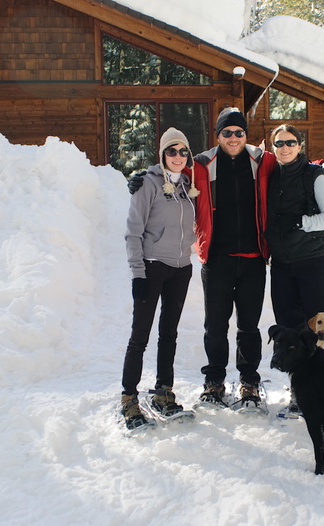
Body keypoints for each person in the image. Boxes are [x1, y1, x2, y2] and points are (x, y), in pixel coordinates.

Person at [192, 108, 277, 408]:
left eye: (239, 132)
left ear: (245, 135)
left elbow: (294, 161)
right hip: (217, 259)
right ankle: (214, 380)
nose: (233, 137)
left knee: (249, 326)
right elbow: (170, 172)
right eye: (227, 132)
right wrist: (145, 178)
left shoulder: (262, 161)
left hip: (254, 258)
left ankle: (249, 382)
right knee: (215, 325)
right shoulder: (202, 163)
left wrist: (323, 167)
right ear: (217, 136)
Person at [120, 127, 203, 430]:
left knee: (169, 333)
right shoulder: (147, 184)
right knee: (140, 335)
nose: (178, 156)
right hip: (152, 268)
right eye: (172, 151)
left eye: (183, 151)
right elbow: (133, 231)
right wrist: (137, 273)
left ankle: (163, 392)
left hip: (181, 268)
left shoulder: (187, 187)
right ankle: (129, 398)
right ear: (162, 154)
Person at [265, 124, 324, 331]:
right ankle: (295, 365)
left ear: (299, 146)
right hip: (282, 265)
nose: (285, 148)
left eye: (291, 142)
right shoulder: (272, 176)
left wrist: (300, 222)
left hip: (315, 262)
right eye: (279, 143)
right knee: (288, 328)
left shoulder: (315, 176)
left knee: (321, 329)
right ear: (273, 148)